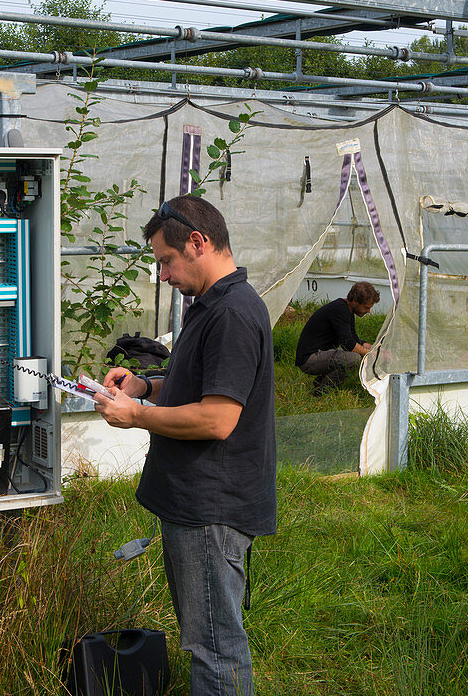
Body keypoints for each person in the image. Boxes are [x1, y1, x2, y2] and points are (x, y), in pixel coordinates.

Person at [93, 195, 276, 696]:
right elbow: (200, 386)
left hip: (209, 509)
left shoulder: (233, 314)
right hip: (197, 503)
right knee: (207, 637)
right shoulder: (211, 305)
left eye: (166, 262)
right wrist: (144, 387)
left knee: (214, 646)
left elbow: (218, 419)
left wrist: (139, 417)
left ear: (198, 243)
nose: (163, 275)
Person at [294, 282, 380, 394]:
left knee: (352, 356)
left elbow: (354, 340)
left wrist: (375, 348)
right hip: (309, 359)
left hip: (319, 354)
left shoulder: (346, 309)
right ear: (355, 301)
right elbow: (349, 345)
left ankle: (319, 383)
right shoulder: (340, 310)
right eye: (366, 307)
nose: (368, 311)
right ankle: (323, 391)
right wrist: (371, 354)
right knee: (353, 359)